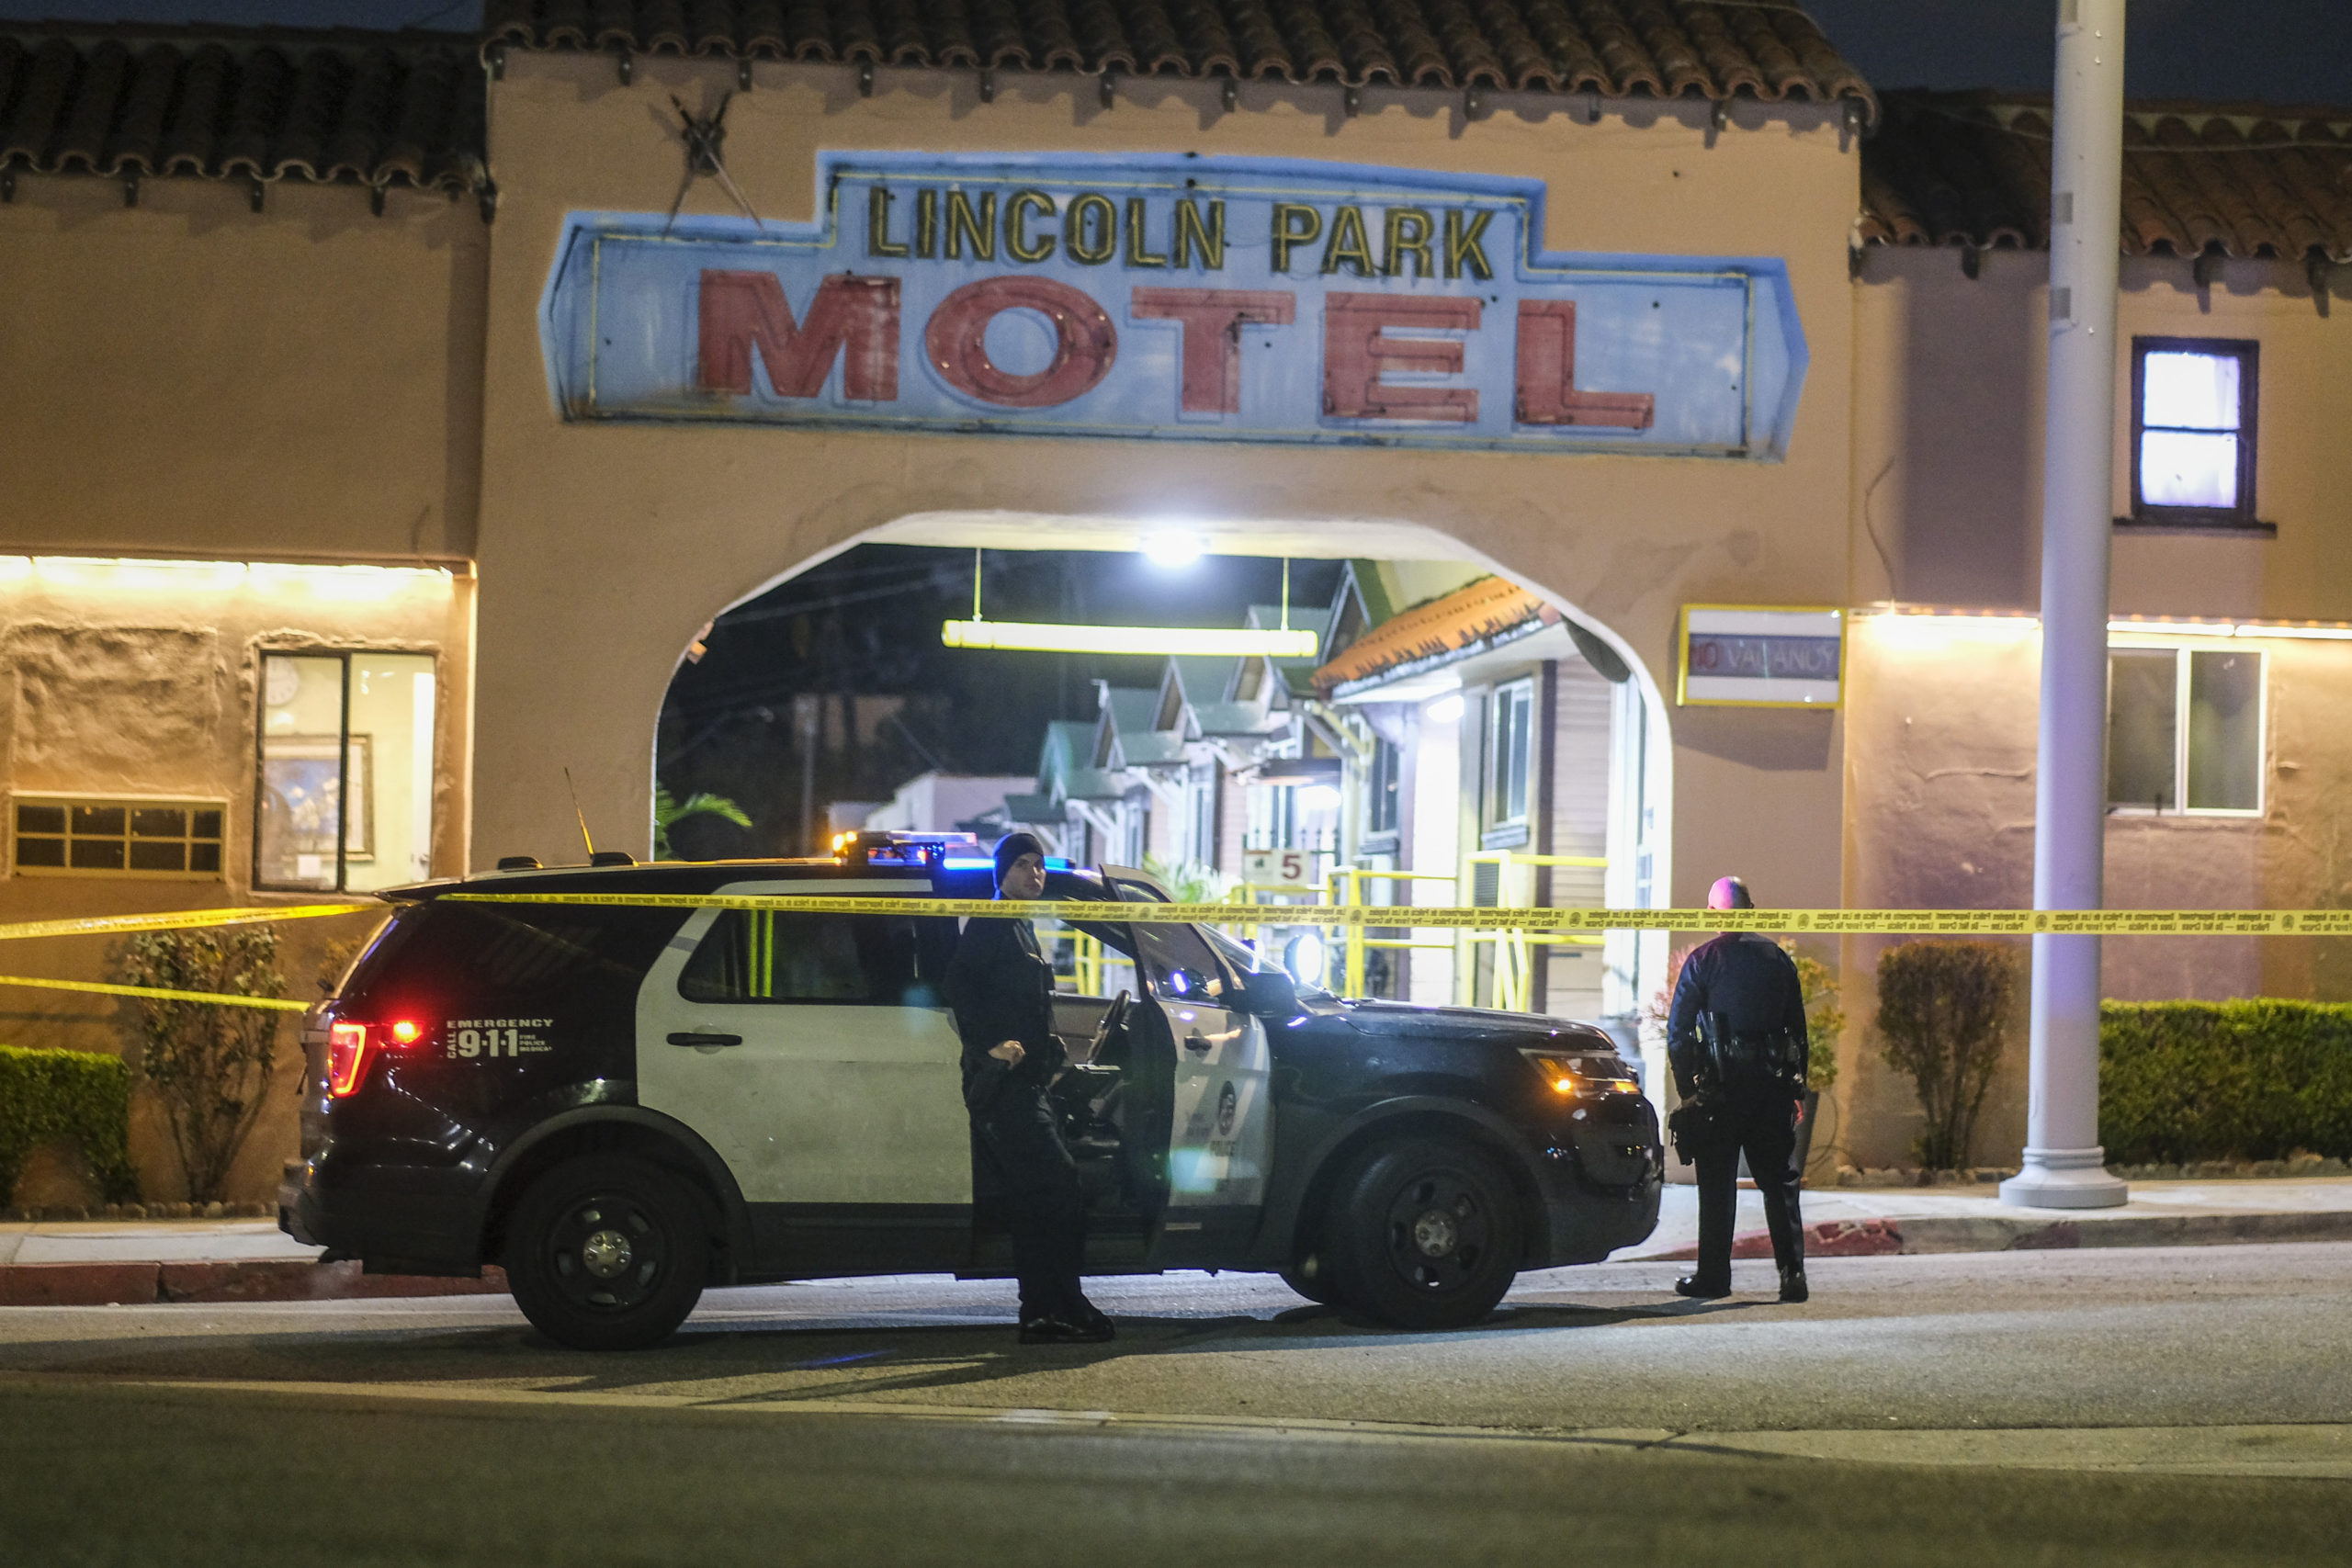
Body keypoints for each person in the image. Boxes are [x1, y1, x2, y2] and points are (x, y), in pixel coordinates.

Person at [944, 832, 1114, 1345]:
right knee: (1056, 1187)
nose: (1034, 874)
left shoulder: (1019, 926)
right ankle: (1053, 1306)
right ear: (1002, 873)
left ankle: (1047, 1310)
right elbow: (958, 986)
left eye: (1038, 866)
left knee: (1039, 1197)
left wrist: (1053, 1056)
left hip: (1028, 1083)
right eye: (1022, 865)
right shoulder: (994, 924)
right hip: (1006, 1088)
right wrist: (990, 1045)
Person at [1665, 875, 1812, 1304]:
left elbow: (1678, 1033)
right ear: (1752, 910)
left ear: (1712, 915)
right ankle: (1793, 1276)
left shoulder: (1702, 961)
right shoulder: (1778, 960)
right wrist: (1797, 1087)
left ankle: (1713, 1277)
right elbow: (1798, 1032)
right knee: (1779, 1183)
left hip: (1720, 1092)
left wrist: (1687, 1088)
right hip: (1770, 1088)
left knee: (1716, 1185)